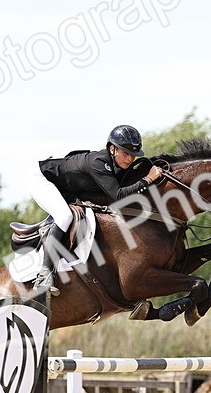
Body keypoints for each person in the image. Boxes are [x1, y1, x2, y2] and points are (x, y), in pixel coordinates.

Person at [26, 125, 164, 293]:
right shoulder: (99, 163)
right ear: (112, 149)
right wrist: (148, 179)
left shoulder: (115, 165)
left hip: (66, 187)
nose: (129, 159)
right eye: (125, 153)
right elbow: (119, 195)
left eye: (133, 155)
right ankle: (44, 274)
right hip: (40, 178)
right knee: (64, 216)